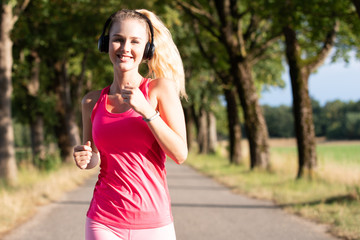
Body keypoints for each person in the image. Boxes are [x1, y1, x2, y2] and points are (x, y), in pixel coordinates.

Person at [73, 9, 188, 240]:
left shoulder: (159, 90)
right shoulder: (91, 101)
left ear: (147, 50)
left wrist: (147, 111)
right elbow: (94, 157)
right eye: (118, 39)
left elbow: (180, 154)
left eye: (135, 41)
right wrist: (85, 158)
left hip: (154, 223)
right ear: (105, 44)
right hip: (103, 220)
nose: (125, 48)